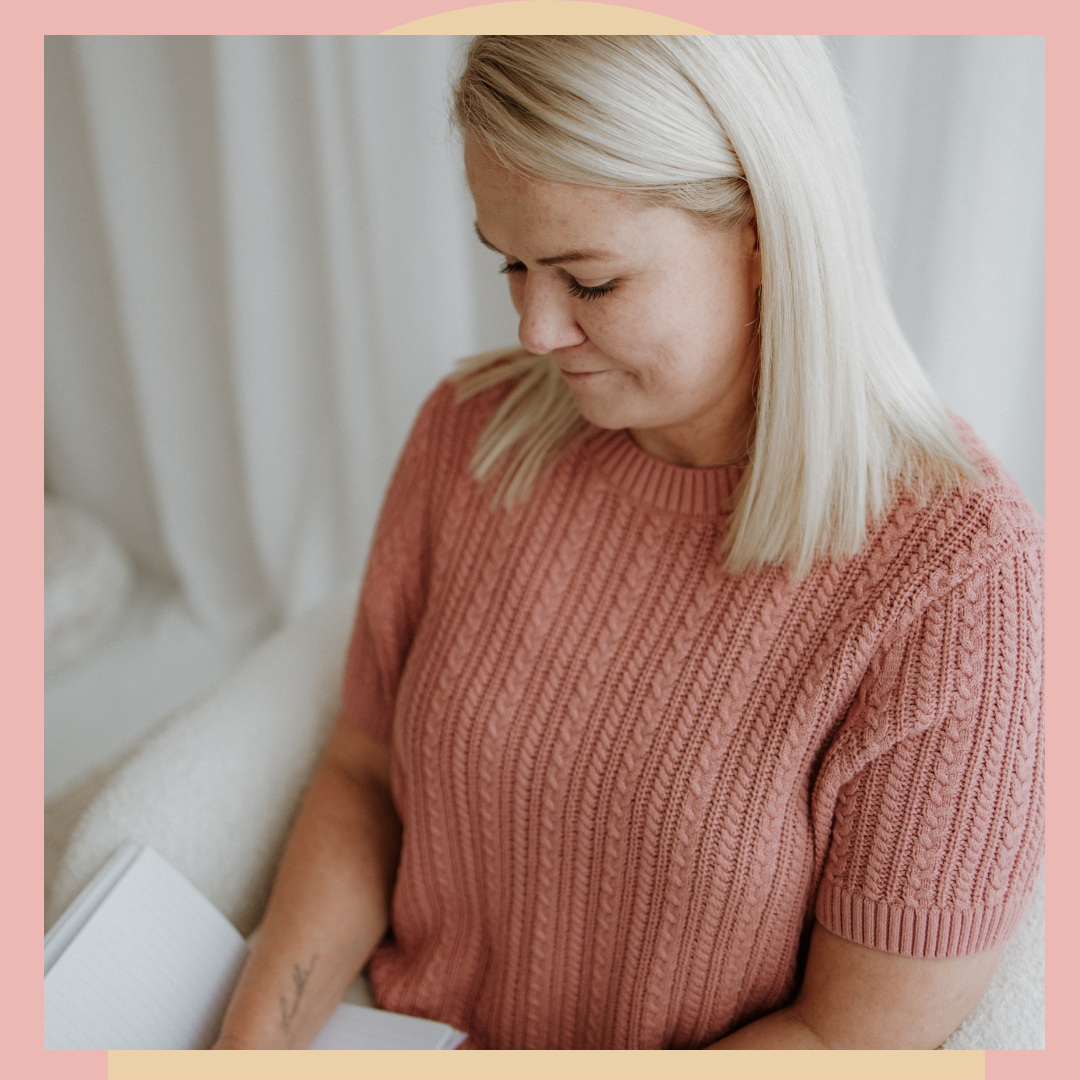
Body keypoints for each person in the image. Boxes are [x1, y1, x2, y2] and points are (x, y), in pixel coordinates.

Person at [213, 35, 1044, 1050]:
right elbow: (365, 778)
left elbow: (847, 1039)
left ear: (764, 235)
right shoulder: (469, 436)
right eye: (511, 263)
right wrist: (249, 1048)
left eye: (591, 282)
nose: (535, 331)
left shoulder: (959, 575)